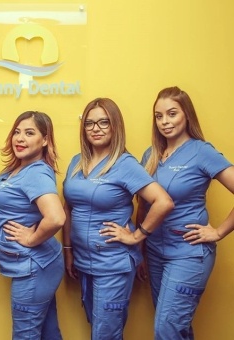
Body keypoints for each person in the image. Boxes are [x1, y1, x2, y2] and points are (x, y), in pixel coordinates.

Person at [62, 97, 174, 340]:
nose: (96, 128)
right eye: (90, 123)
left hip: (112, 264)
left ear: (115, 126)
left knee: (105, 334)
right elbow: (68, 208)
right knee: (100, 328)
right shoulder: (76, 162)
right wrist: (68, 250)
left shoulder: (125, 164)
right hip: (83, 260)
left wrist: (136, 236)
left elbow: (163, 202)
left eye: (104, 122)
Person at [134, 86, 234, 339]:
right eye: (159, 116)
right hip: (155, 251)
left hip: (189, 254)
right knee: (177, 327)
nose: (165, 122)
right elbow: (144, 206)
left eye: (172, 114)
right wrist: (141, 250)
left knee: (166, 328)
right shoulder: (151, 154)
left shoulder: (202, 151)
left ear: (186, 115)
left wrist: (219, 232)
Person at [0, 111, 65, 340]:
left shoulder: (36, 172)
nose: (20, 138)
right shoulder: (18, 168)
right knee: (48, 331)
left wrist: (31, 239)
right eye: (17, 132)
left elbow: (56, 218)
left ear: (44, 140)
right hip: (34, 266)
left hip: (34, 268)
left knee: (26, 334)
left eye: (29, 133)